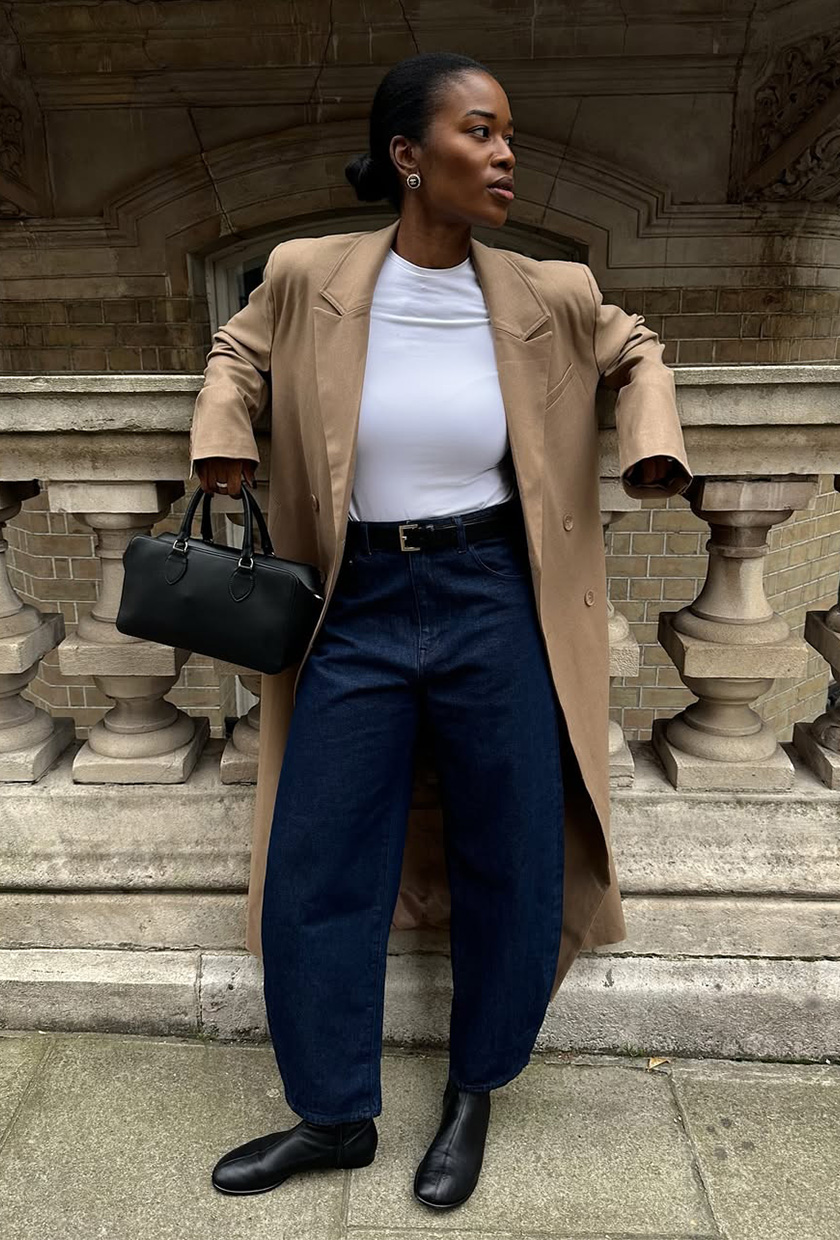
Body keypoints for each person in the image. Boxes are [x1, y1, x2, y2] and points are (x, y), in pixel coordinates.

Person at [194, 50, 691, 1211]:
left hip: (490, 597)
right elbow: (237, 352)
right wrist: (224, 425)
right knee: (316, 856)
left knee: (511, 854)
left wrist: (652, 436)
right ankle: (332, 1113)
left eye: (508, 133)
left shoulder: (546, 289)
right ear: (411, 158)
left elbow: (637, 347)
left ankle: (474, 1093)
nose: (506, 153)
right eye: (481, 132)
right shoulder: (308, 272)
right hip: (353, 604)